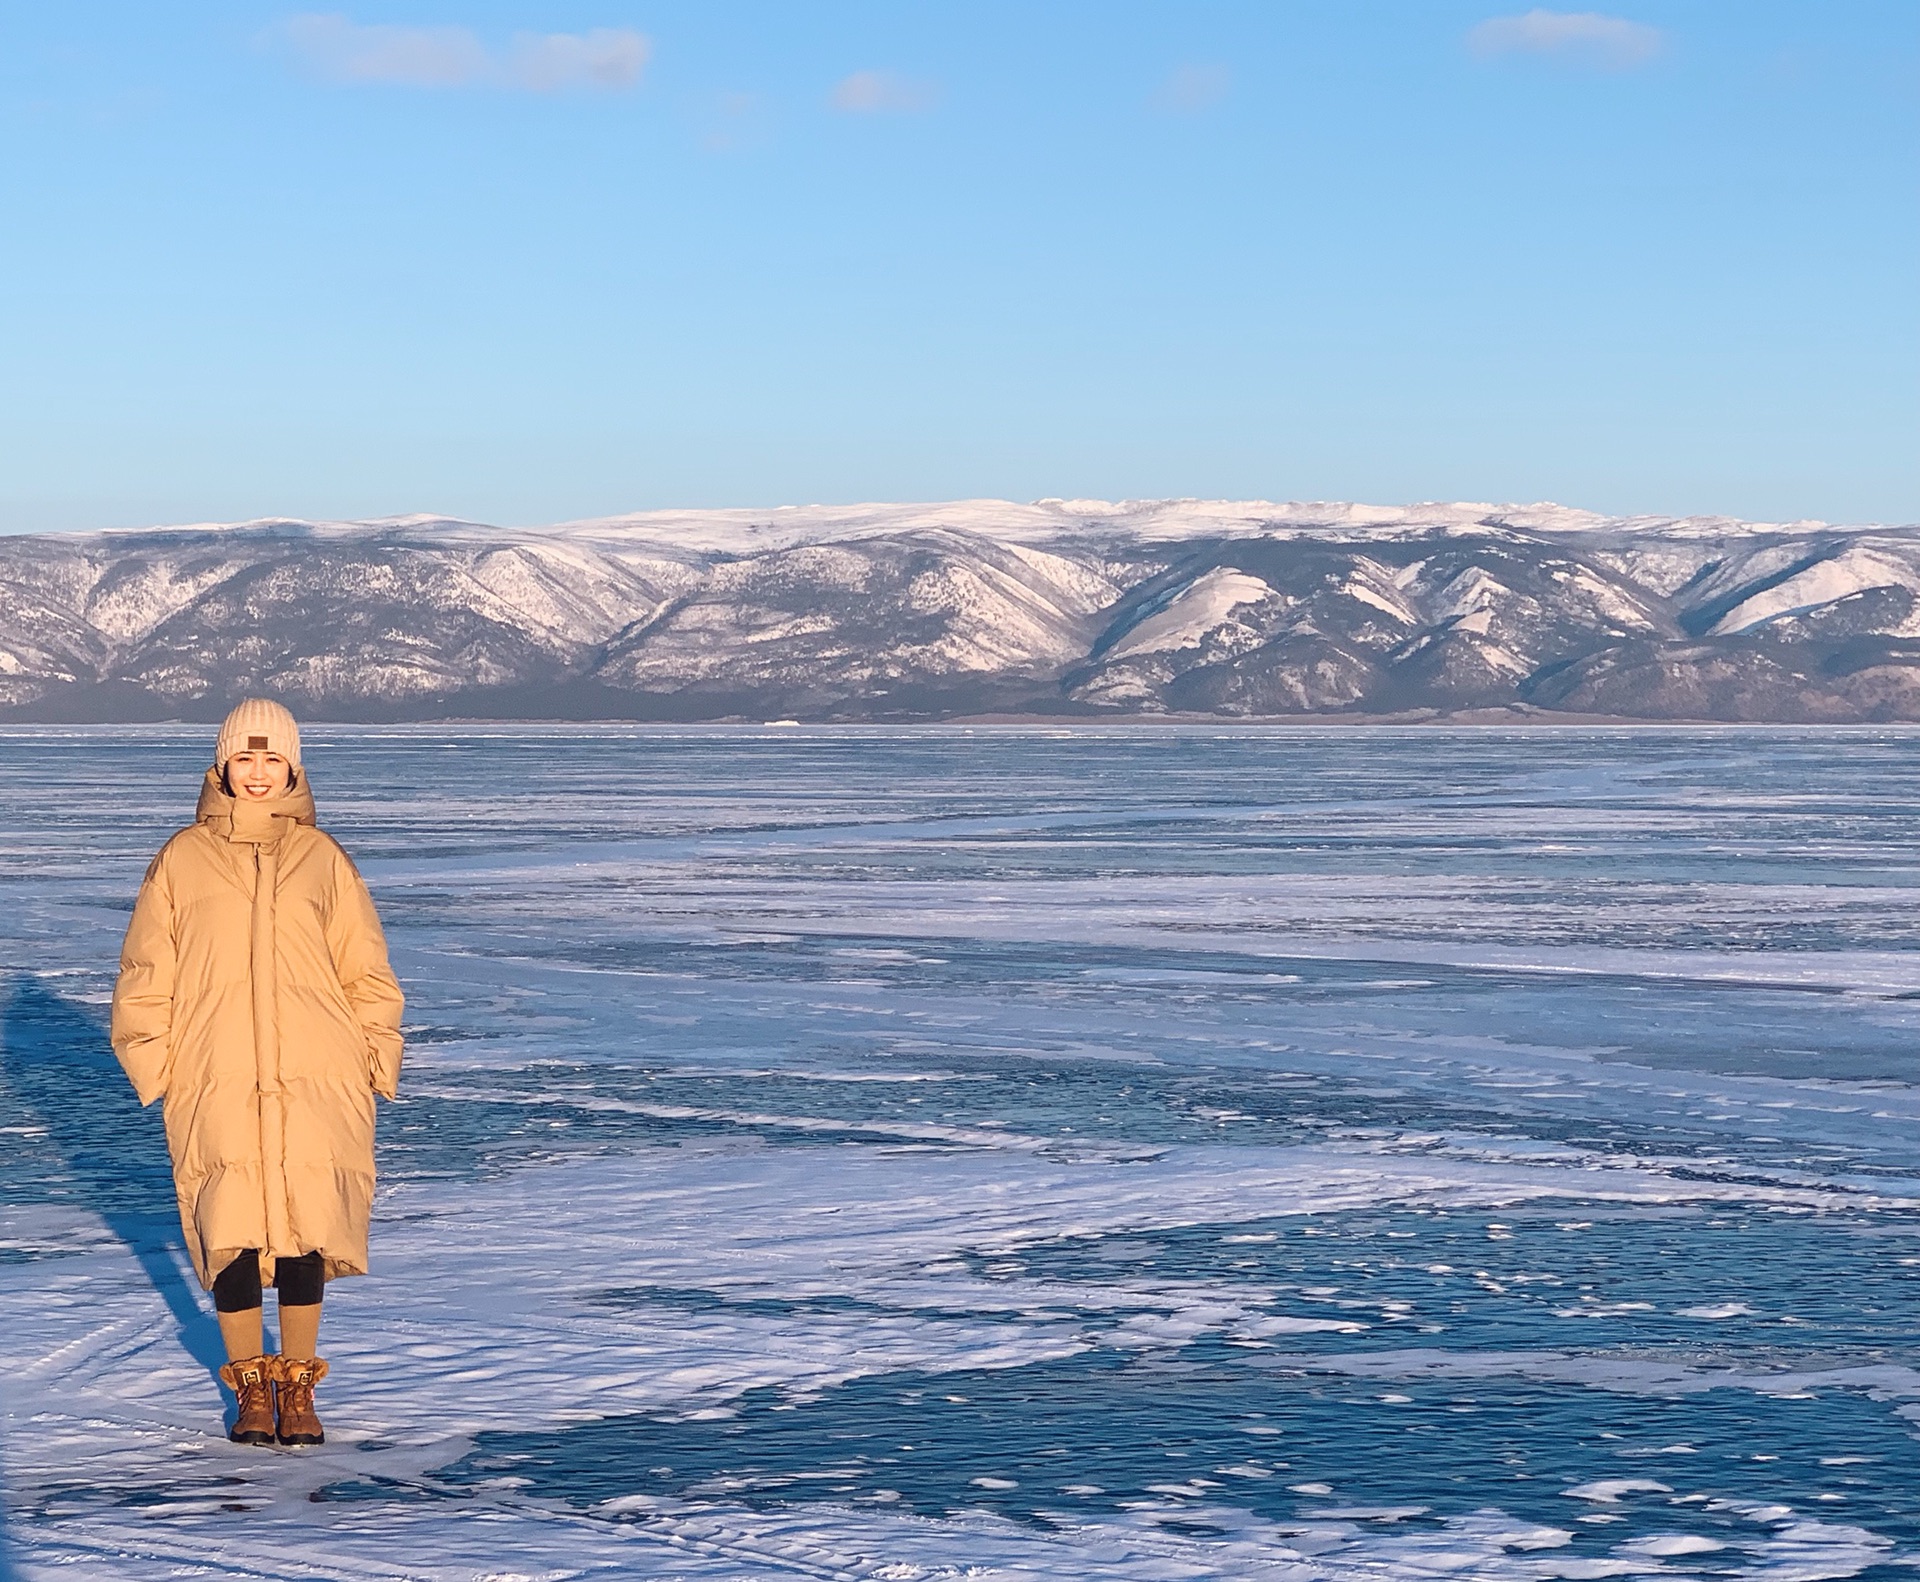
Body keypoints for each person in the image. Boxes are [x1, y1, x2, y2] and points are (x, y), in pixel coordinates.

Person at [111, 699, 404, 1447]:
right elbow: (147, 968)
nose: (259, 774)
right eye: (245, 758)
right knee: (229, 1230)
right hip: (215, 1069)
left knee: (306, 1225)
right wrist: (156, 1064)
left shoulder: (324, 859)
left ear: (294, 767)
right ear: (221, 766)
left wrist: (377, 1055)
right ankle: (250, 1388)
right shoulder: (182, 858)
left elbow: (365, 968)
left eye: (273, 760)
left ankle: (299, 1387)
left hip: (317, 1066)